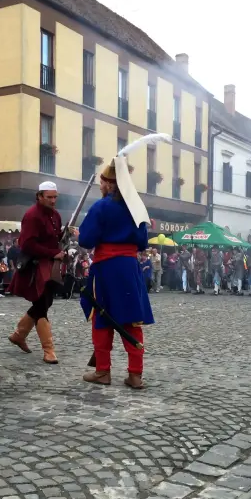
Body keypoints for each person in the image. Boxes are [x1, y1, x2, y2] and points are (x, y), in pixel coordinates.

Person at [79, 158, 152, 389]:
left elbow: (86, 239)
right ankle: (135, 375)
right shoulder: (136, 206)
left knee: (102, 317)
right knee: (131, 320)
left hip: (106, 268)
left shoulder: (101, 206)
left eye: (103, 182)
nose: (101, 186)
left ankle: (103, 372)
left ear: (109, 184)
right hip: (129, 268)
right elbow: (142, 242)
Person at [7, 181, 64, 365]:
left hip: (49, 267)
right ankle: (49, 350)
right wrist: (53, 252)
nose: (53, 201)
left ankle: (19, 335)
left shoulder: (56, 216)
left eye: (55, 197)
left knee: (45, 302)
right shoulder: (32, 216)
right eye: (49, 197)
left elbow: (54, 240)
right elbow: (28, 245)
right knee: (41, 306)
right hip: (34, 268)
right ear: (39, 196)